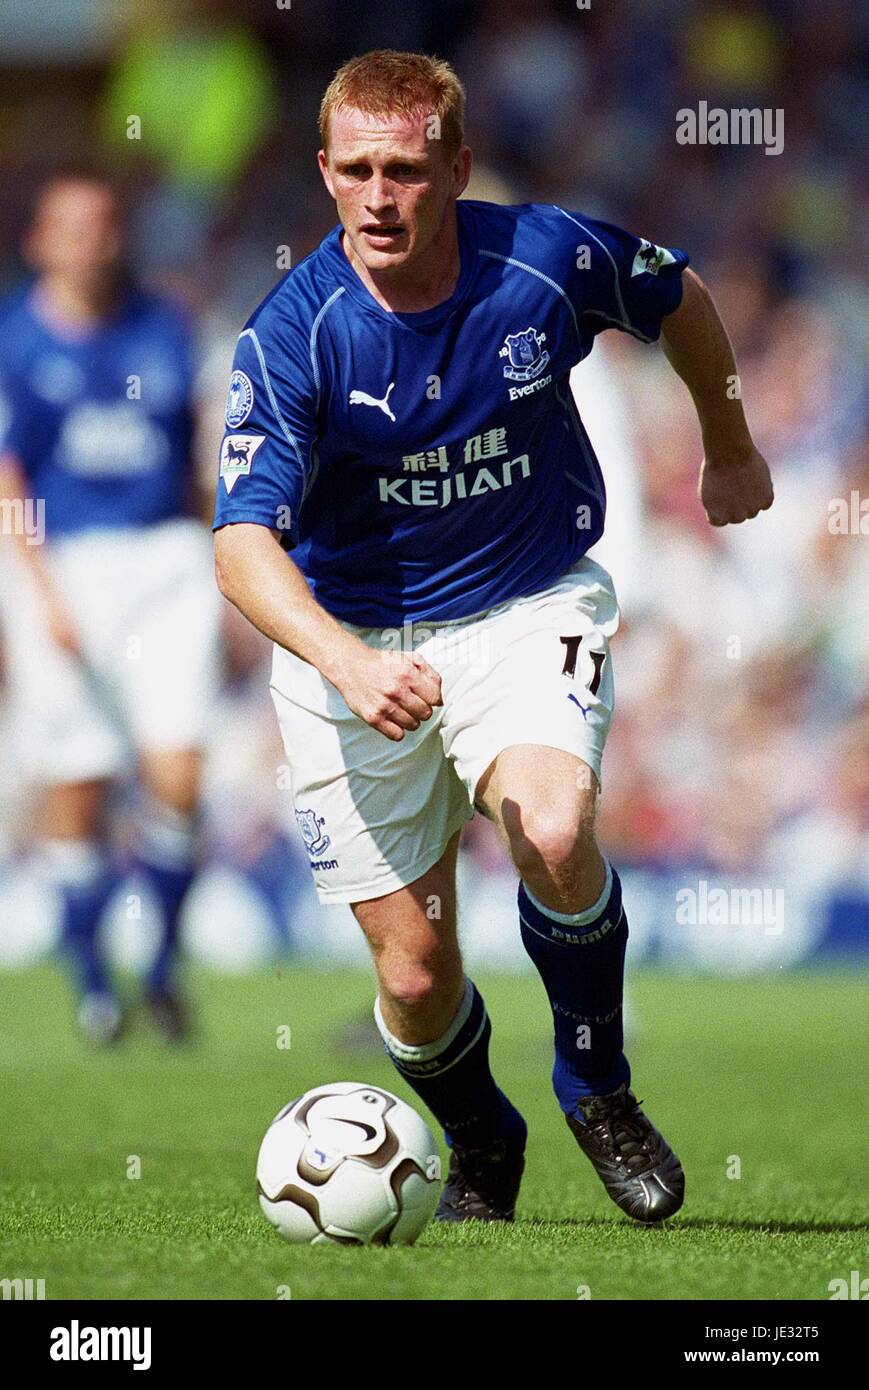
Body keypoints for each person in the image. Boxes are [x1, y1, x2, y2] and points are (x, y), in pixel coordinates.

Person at [213, 51, 773, 1224]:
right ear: (322, 173)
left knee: (554, 825)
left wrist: (726, 443)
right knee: (414, 976)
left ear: (455, 169)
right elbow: (240, 546)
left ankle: (595, 1087)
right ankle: (480, 1134)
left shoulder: (545, 260)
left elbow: (679, 299)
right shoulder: (292, 334)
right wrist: (347, 660)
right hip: (352, 648)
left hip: (525, 602)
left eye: (406, 171)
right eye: (355, 169)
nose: (379, 197)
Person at [0, 175, 220, 1042]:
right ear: (39, 243)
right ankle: (94, 980)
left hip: (166, 557)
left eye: (105, 222)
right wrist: (39, 588)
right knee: (81, 783)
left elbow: (199, 457)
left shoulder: (165, 324)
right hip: (65, 561)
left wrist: (229, 564)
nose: (93, 239)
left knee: (179, 776)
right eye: (73, 226)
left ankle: (162, 961)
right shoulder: (15, 337)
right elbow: (11, 475)